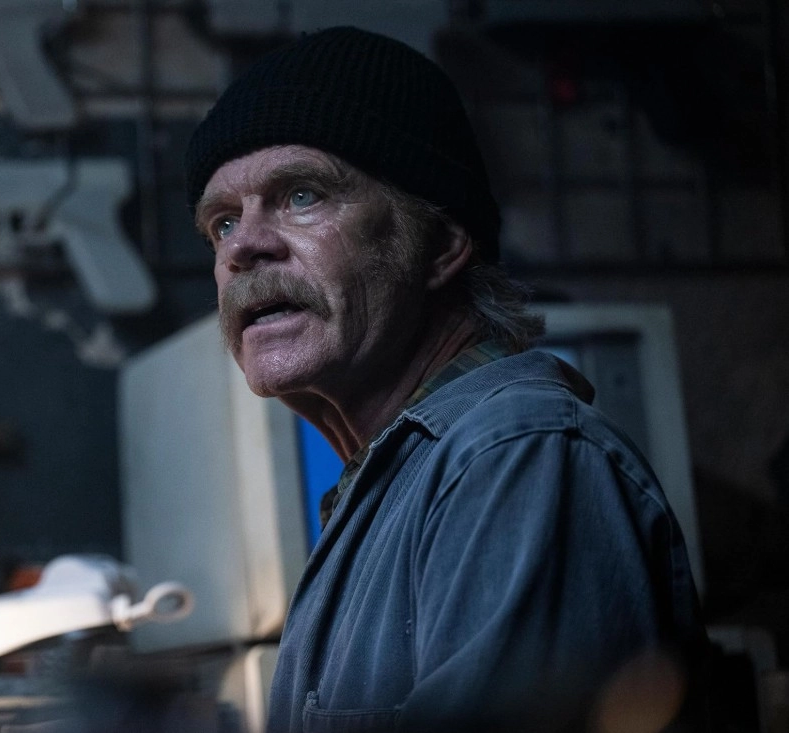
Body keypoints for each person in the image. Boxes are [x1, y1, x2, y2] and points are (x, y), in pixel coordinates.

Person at [184, 26, 709, 733]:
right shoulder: (393, 485)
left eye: (302, 194)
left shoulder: (516, 457)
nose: (243, 247)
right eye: (221, 224)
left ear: (441, 244)